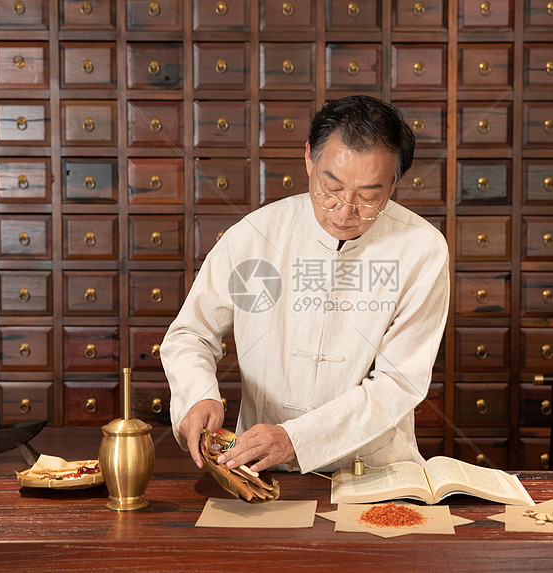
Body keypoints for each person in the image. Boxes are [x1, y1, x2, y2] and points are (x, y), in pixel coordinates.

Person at [160, 95, 449, 475]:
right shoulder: (254, 236)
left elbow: (398, 383)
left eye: (368, 197)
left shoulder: (422, 250)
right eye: (331, 188)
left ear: (393, 185)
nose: (345, 212)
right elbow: (191, 334)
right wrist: (197, 396)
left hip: (374, 469)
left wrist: (297, 439)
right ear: (309, 158)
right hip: (258, 467)